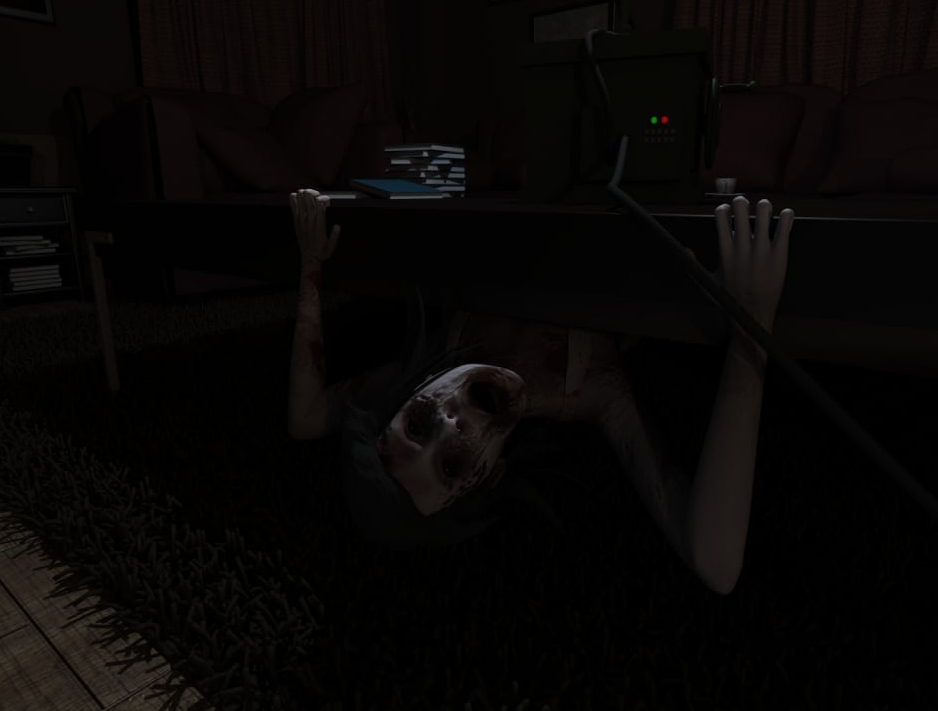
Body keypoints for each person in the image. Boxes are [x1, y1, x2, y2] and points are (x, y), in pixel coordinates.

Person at [287, 188, 794, 596]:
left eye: (417, 426)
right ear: (491, 476)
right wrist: (751, 328)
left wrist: (311, 267)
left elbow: (306, 418)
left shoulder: (436, 357)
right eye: (451, 465)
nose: (449, 423)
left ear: (404, 397)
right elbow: (716, 564)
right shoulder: (591, 389)